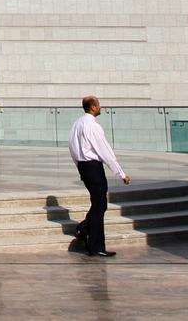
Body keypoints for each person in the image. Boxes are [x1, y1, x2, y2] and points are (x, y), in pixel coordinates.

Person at [67, 95, 131, 257]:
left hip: (84, 166)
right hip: (93, 167)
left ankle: (84, 229)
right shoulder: (93, 126)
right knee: (100, 204)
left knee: (98, 204)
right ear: (93, 107)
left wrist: (79, 166)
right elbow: (104, 151)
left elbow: (72, 147)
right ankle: (95, 246)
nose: (100, 107)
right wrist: (120, 172)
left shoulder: (77, 124)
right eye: (99, 105)